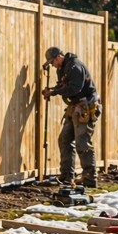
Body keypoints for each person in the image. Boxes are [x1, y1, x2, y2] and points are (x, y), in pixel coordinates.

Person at [42, 46, 100, 187]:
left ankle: (90, 178)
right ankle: (67, 176)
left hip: (85, 107)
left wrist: (54, 93)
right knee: (64, 139)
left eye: (52, 62)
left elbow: (74, 88)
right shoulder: (62, 69)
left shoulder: (75, 66)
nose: (53, 65)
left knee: (82, 143)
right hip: (74, 107)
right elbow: (63, 85)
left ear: (58, 57)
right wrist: (53, 90)